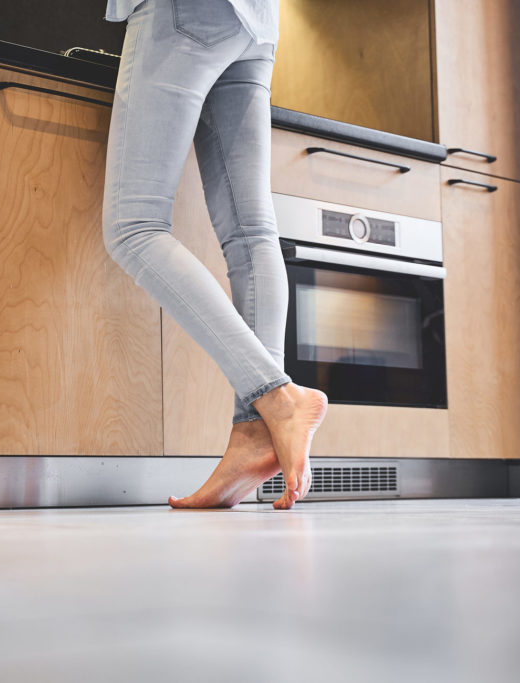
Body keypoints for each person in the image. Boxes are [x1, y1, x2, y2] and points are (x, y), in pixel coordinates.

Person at [102, 0, 328, 510]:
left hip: (182, 12)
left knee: (133, 227)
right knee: (251, 234)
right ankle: (254, 433)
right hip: (255, 22)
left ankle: (276, 397)